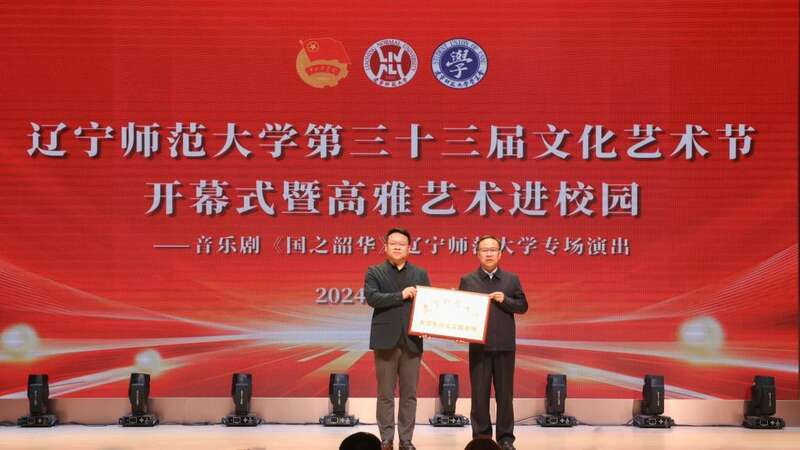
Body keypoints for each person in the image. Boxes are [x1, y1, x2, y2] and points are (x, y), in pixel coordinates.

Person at [458, 235, 528, 450]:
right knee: (479, 396)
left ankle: (506, 438)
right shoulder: (468, 280)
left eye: (492, 249)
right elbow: (460, 310)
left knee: (505, 396)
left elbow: (522, 306)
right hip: (479, 346)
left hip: (505, 345)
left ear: (500, 254)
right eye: (484, 250)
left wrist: (505, 300)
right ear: (477, 253)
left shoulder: (511, 279)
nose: (488, 253)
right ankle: (481, 438)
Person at [365, 227, 431, 450]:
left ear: (409, 248)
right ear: (385, 247)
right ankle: (386, 438)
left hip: (412, 340)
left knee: (409, 394)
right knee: (385, 393)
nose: (397, 247)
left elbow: (428, 305)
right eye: (393, 243)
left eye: (402, 244)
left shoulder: (420, 274)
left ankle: (406, 439)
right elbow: (372, 298)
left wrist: (428, 324)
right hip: (385, 340)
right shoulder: (375, 272)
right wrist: (400, 295)